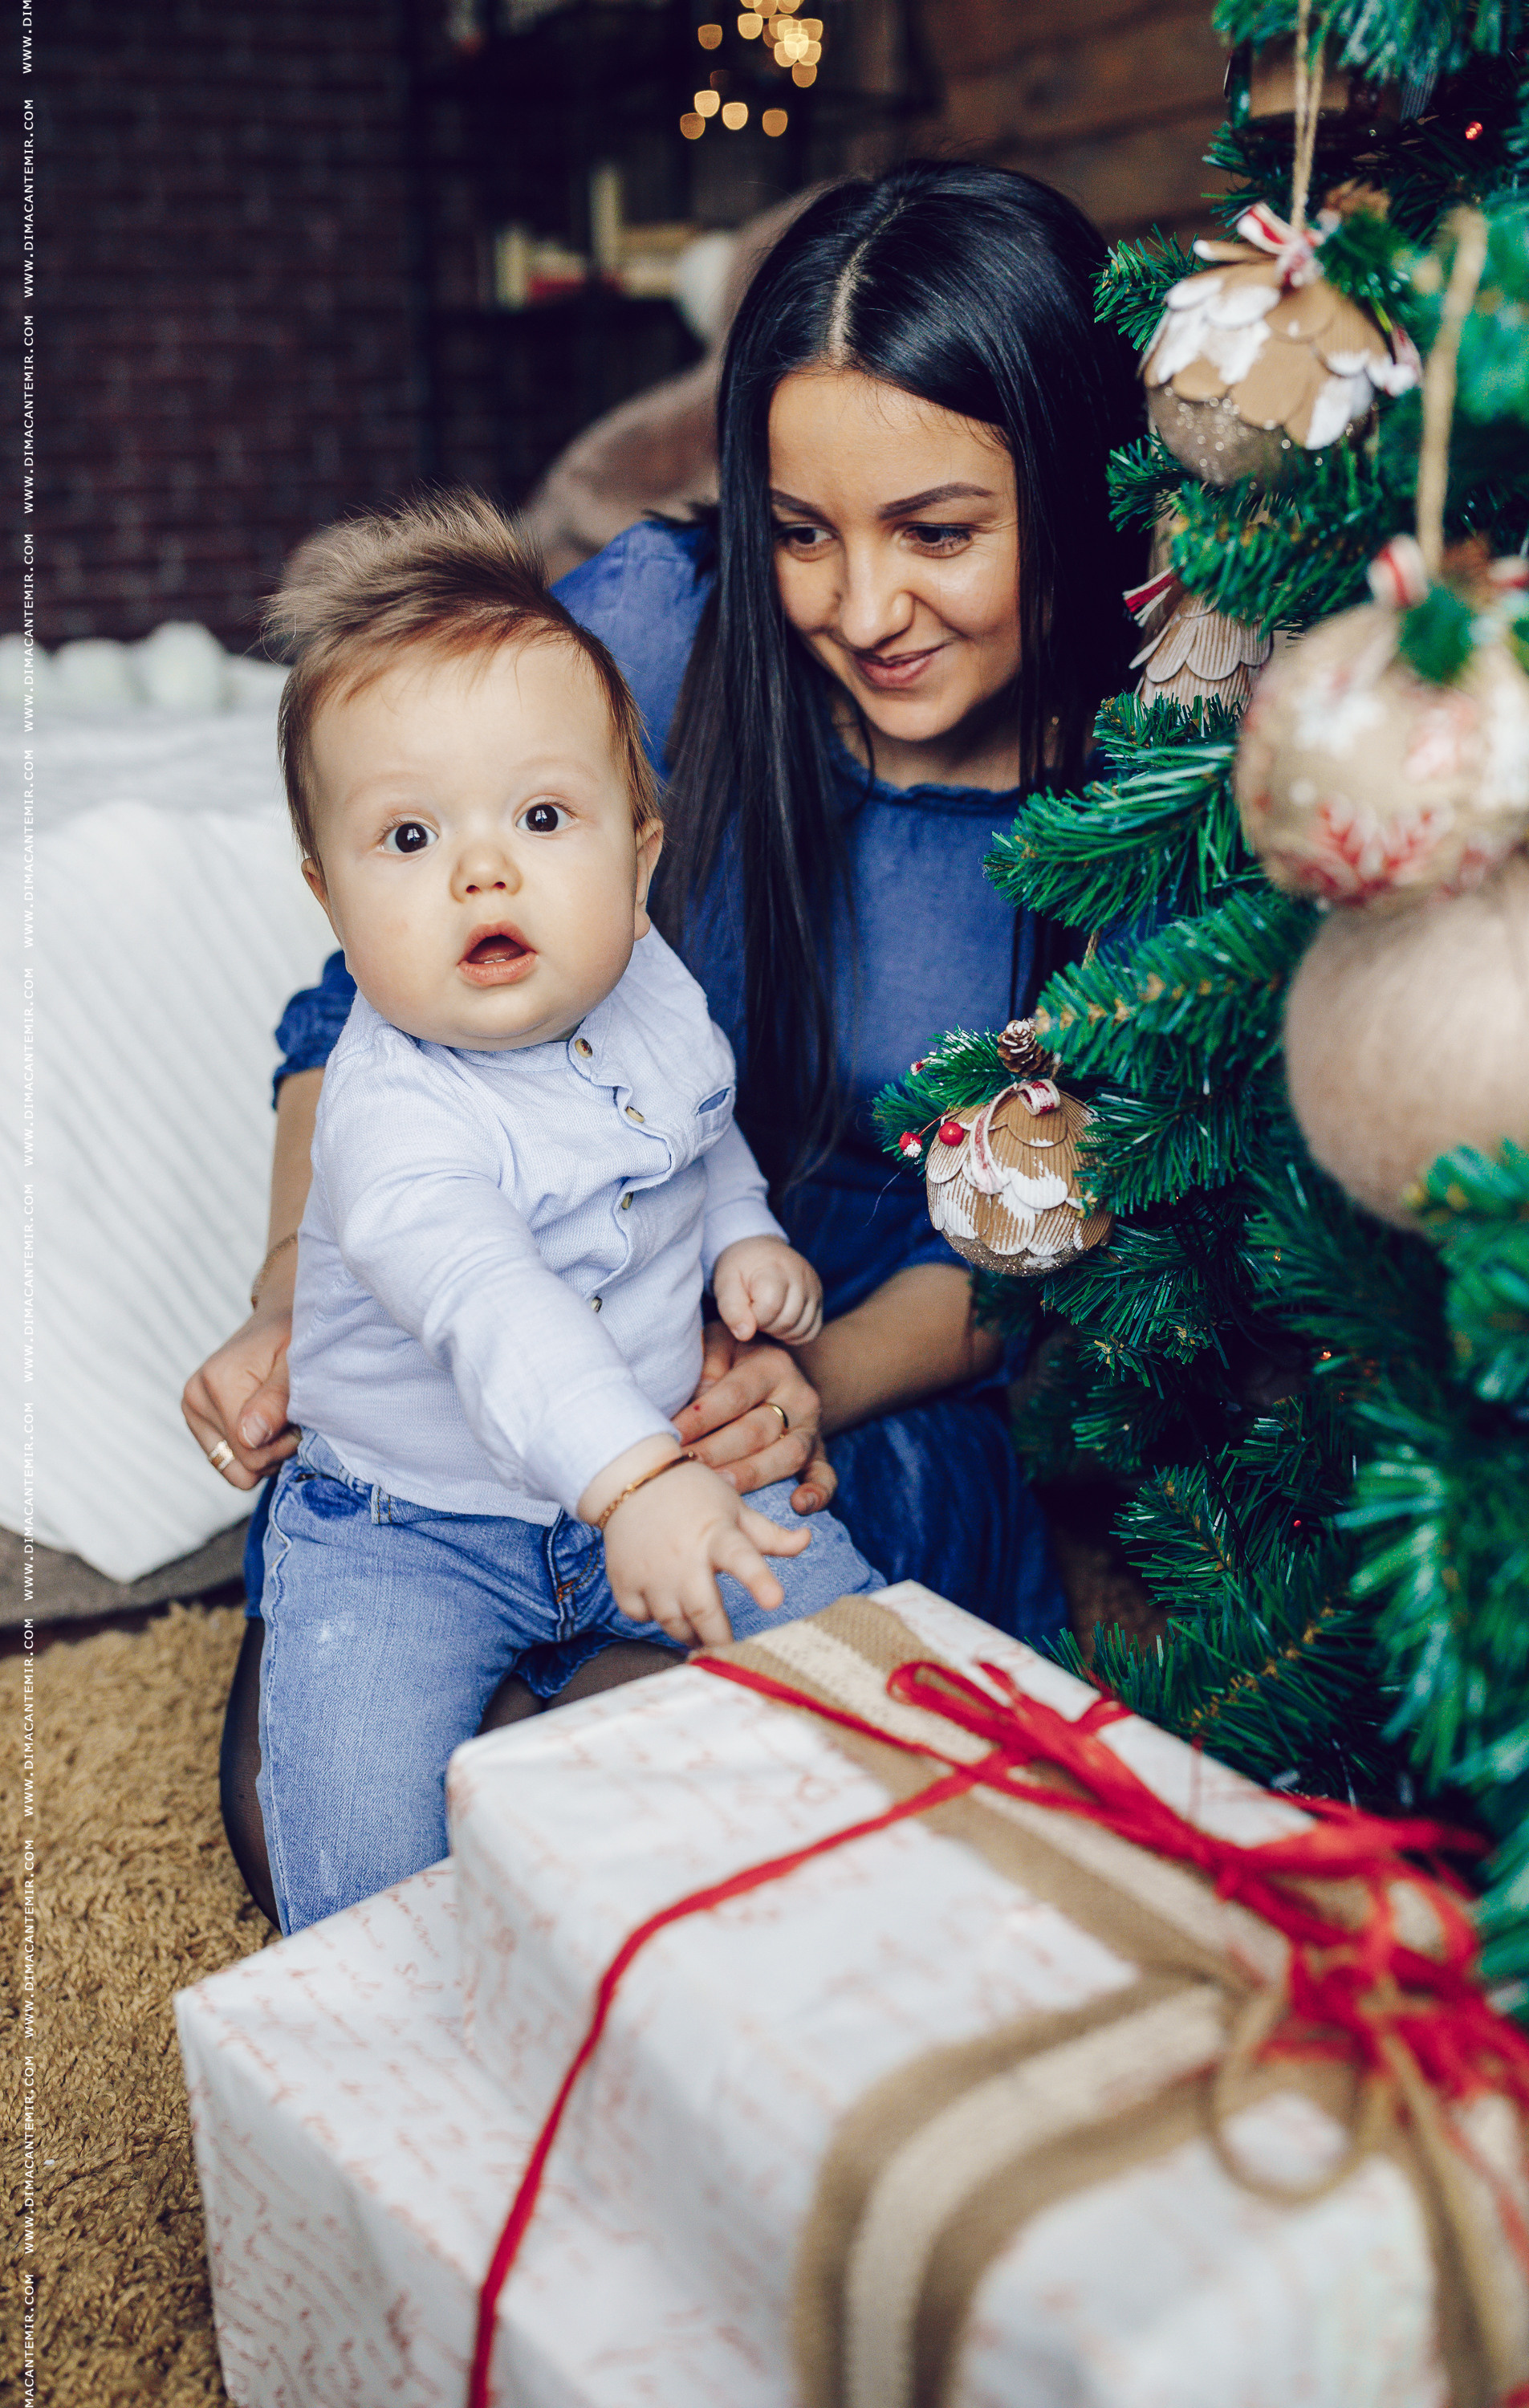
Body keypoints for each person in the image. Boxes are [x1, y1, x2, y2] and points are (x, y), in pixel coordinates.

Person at [184, 160, 1145, 1918]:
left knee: (658, 1812)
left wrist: (813, 1381)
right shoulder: (652, 624)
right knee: (324, 1812)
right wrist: (287, 1290)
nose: (859, 607)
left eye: (937, 533)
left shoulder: (1145, 784)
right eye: (800, 531)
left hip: (872, 1342)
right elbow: (361, 1007)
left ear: (1076, 492)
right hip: (502, 1336)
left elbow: (1062, 1231)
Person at [248, 496, 879, 1933]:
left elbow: (693, 1133)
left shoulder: (648, 980)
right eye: (406, 836)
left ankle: (955, 1838)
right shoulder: (393, 1114)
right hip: (408, 1527)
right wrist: (640, 1484)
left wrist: (744, 1239)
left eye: (543, 818)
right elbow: (493, 1306)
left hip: (655, 1460)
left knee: (862, 1659)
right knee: (352, 1857)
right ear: (329, 899)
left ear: (640, 857)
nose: (485, 869)